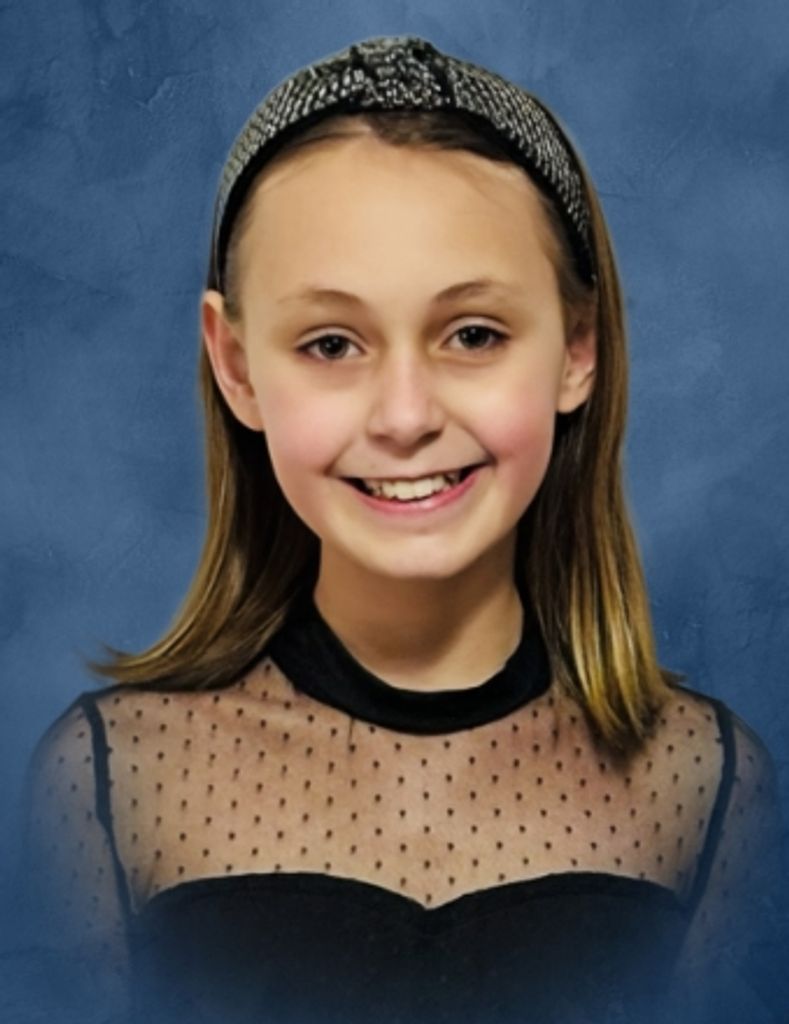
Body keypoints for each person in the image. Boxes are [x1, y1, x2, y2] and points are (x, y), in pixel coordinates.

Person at [19, 34, 787, 1024]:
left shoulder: (708, 783)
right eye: (331, 343)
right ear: (237, 366)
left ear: (577, 348)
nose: (404, 415)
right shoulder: (111, 779)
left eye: (473, 334)